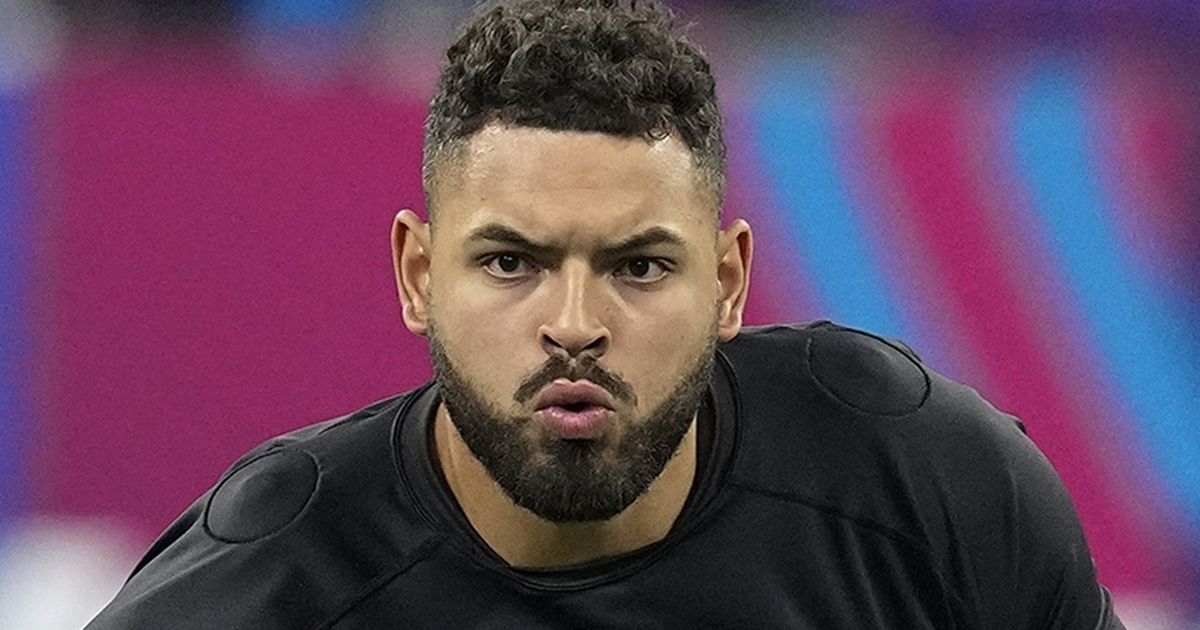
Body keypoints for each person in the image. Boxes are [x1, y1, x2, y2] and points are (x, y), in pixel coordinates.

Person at [87, 0, 1125, 627]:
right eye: (511, 261)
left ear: (728, 282)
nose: (574, 322)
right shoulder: (266, 585)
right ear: (416, 272)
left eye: (636, 265)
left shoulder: (928, 489)